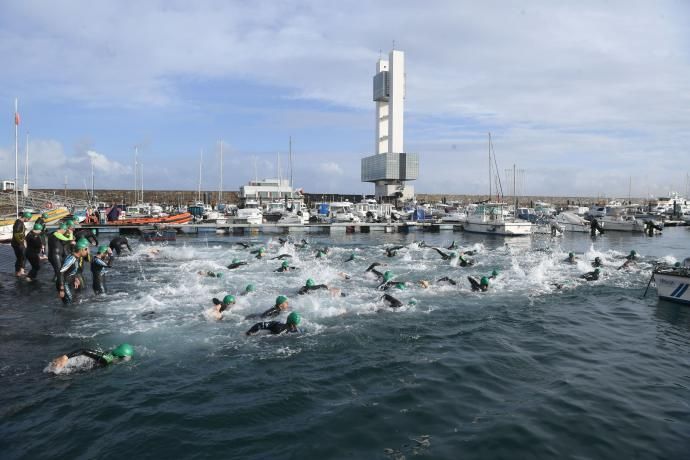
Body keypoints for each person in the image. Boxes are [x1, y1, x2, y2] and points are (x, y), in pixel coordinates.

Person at [49, 343, 134, 371]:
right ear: (122, 356)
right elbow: (83, 350)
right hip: (71, 363)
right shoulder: (106, 359)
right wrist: (65, 357)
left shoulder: (111, 355)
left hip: (80, 364)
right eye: (126, 358)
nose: (126, 360)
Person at [57, 238, 90, 305]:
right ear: (81, 250)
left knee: (72, 302)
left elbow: (72, 270)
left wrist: (75, 279)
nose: (87, 252)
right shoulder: (71, 258)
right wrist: (62, 289)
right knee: (69, 304)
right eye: (86, 249)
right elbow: (61, 272)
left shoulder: (77, 257)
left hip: (69, 281)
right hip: (64, 283)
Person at [11, 211, 32, 276]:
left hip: (17, 243)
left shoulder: (19, 222)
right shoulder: (19, 223)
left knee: (21, 257)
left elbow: (20, 233)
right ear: (25, 217)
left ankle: (19, 271)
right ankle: (19, 272)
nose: (28, 220)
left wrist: (24, 240)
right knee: (22, 257)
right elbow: (17, 234)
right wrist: (22, 242)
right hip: (18, 243)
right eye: (28, 219)